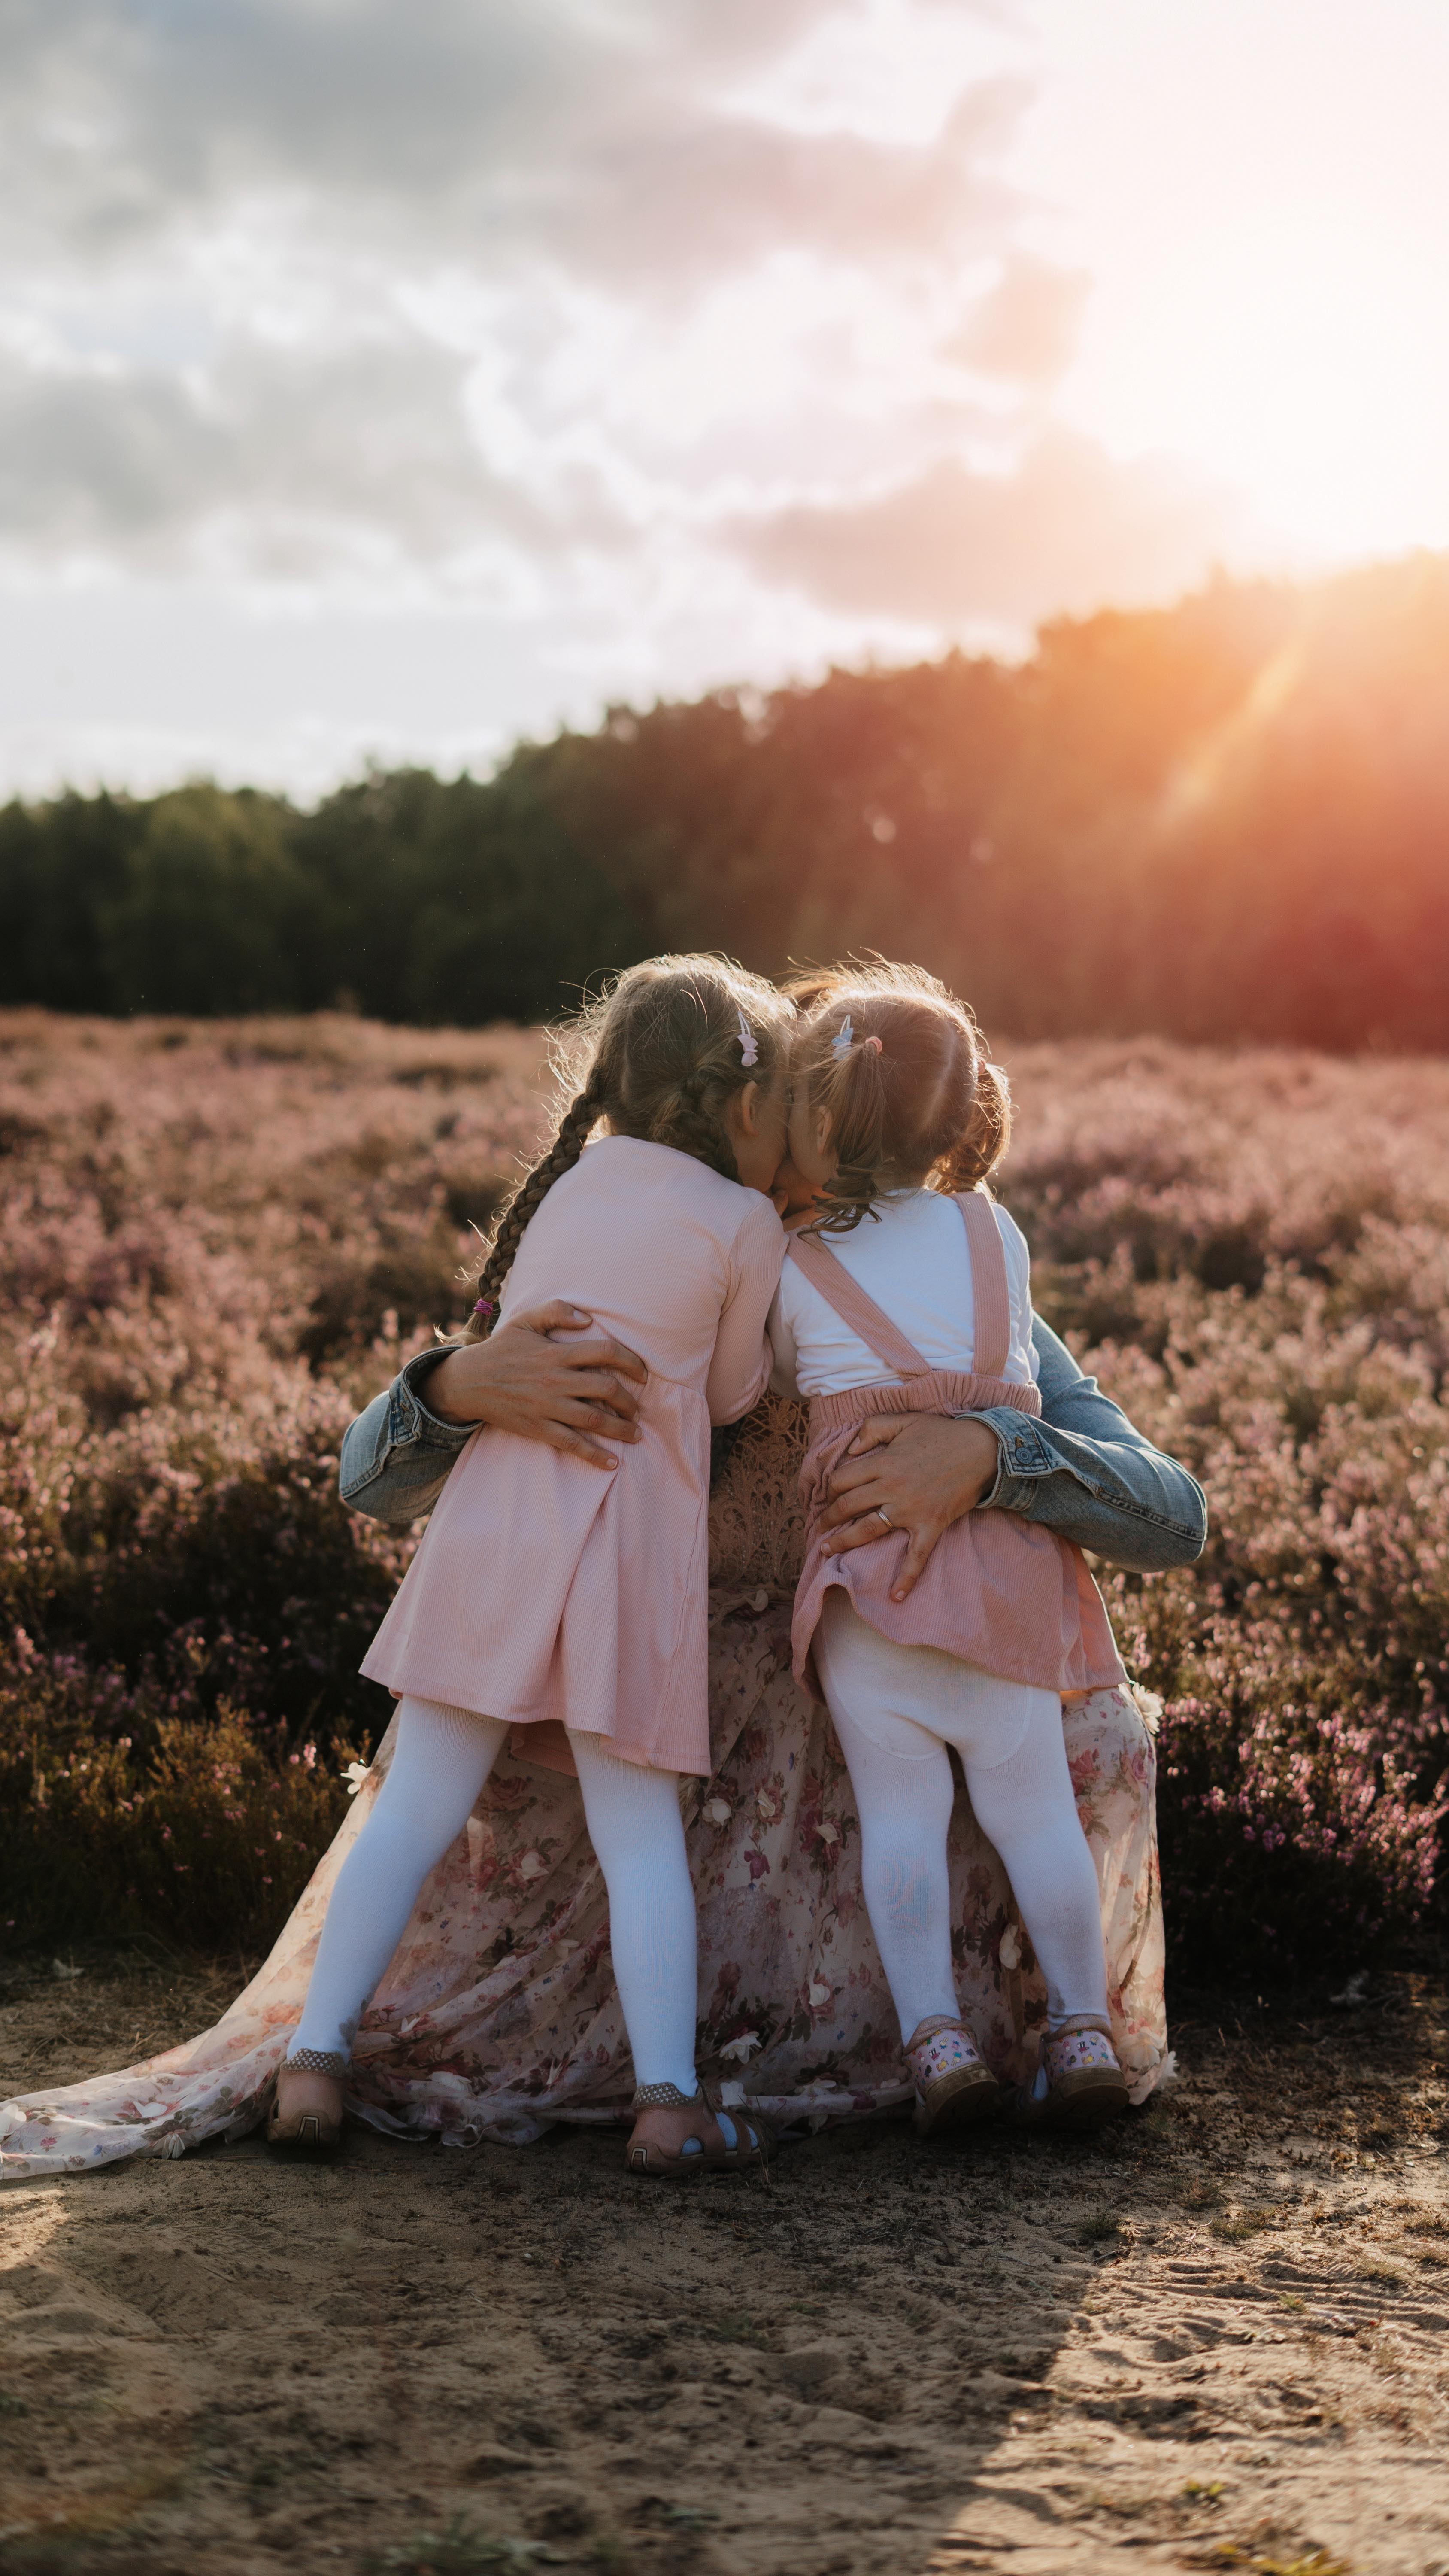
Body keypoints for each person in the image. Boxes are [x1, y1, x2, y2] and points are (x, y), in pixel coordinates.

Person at [270, 955, 793, 2178]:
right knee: (639, 1832)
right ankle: (668, 2103)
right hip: (626, 1553)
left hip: (499, 1528)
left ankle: (314, 2058)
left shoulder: (574, 1184)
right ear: (745, 1104)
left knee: (410, 1809)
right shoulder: (747, 1221)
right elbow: (726, 1396)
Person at [771, 965, 1131, 2139]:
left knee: (903, 1819)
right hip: (1005, 1570)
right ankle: (1084, 2030)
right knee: (1035, 1813)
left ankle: (937, 2042)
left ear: (816, 1109)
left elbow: (758, 1386)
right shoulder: (997, 1232)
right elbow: (1007, 1374)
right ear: (959, 1113)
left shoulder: (793, 1263)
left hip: (875, 1579)